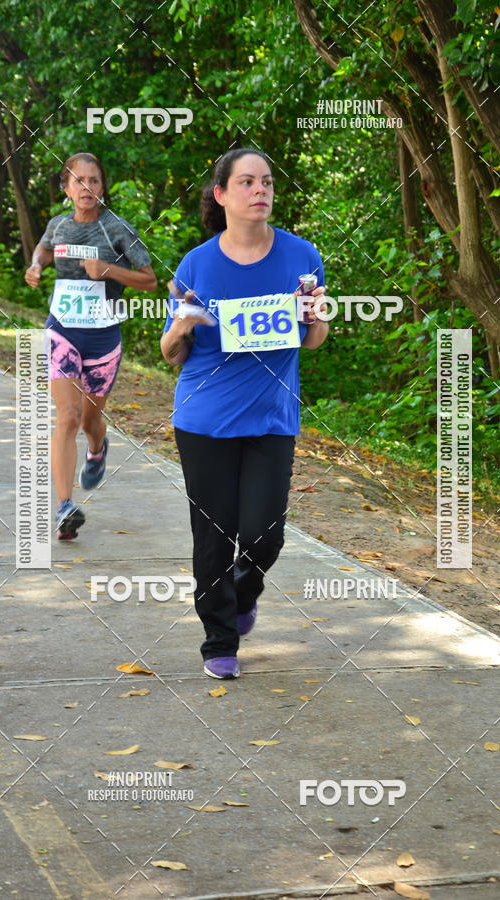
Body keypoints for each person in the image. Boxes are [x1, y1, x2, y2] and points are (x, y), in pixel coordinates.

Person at [161, 148, 328, 679]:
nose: (261, 190)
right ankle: (218, 641)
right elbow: (171, 353)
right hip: (205, 419)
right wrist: (183, 325)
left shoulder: (302, 256)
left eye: (268, 182)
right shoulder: (197, 264)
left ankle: (241, 591)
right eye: (248, 182)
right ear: (222, 194)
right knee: (213, 534)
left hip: (272, 417)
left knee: (264, 533)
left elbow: (315, 339)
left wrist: (315, 315)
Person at [25, 152, 157, 539]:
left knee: (88, 420)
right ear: (67, 188)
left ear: (103, 187)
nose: (87, 188)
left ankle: (97, 448)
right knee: (65, 416)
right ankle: (65, 508)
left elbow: (148, 279)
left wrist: (109, 271)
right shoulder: (59, 225)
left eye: (94, 181)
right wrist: (36, 266)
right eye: (79, 181)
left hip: (103, 336)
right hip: (62, 329)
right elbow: (44, 248)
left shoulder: (115, 229)